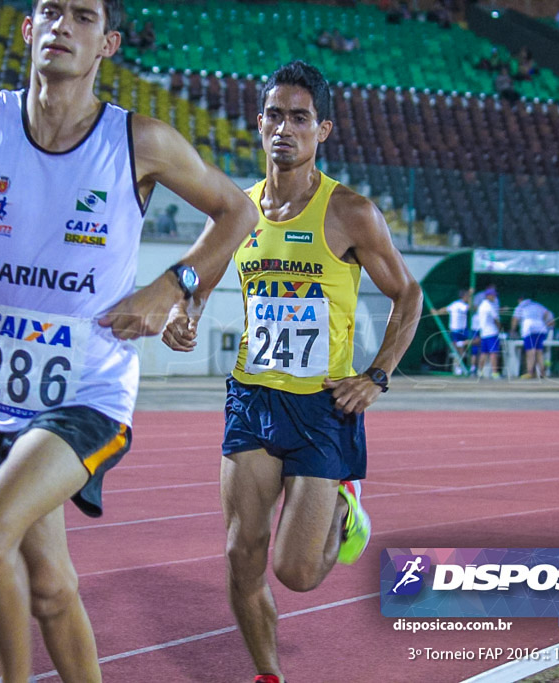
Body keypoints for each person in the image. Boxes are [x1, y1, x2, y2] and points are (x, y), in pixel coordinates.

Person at [0, 2, 258, 682]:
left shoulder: (139, 141)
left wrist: (174, 286)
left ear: (107, 43)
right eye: (49, 11)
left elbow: (239, 209)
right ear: (27, 30)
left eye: (81, 16)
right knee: (51, 588)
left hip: (89, 391)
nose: (62, 25)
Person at [162, 60, 422, 683]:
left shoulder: (351, 212)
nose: (285, 128)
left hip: (321, 409)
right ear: (258, 123)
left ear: (323, 129)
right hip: (252, 399)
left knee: (297, 573)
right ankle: (268, 674)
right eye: (274, 115)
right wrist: (183, 311)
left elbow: (408, 296)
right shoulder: (237, 212)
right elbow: (198, 278)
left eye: (299, 118)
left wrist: (377, 375)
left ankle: (342, 509)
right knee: (239, 555)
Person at [510, 296, 554, 379]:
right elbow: (547, 313)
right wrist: (542, 320)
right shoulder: (537, 305)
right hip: (540, 327)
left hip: (529, 328)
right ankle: (542, 372)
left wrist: (512, 330)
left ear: (520, 299)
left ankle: (530, 372)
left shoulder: (520, 307)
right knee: (539, 351)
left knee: (530, 351)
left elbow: (515, 319)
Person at [431, 288, 472, 375]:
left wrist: (437, 311)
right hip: (456, 331)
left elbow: (446, 309)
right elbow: (468, 307)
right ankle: (457, 367)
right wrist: (437, 312)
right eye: (467, 296)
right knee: (458, 350)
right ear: (464, 296)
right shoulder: (459, 304)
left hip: (461, 330)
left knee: (461, 349)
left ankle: (458, 367)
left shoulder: (456, 304)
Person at [475, 286, 501, 378]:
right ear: (488, 296)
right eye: (493, 295)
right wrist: (500, 328)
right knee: (493, 353)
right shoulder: (489, 306)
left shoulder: (481, 306)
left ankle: (479, 371)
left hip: (484, 333)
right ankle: (495, 373)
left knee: (483, 353)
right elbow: (496, 319)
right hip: (491, 333)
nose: (494, 297)